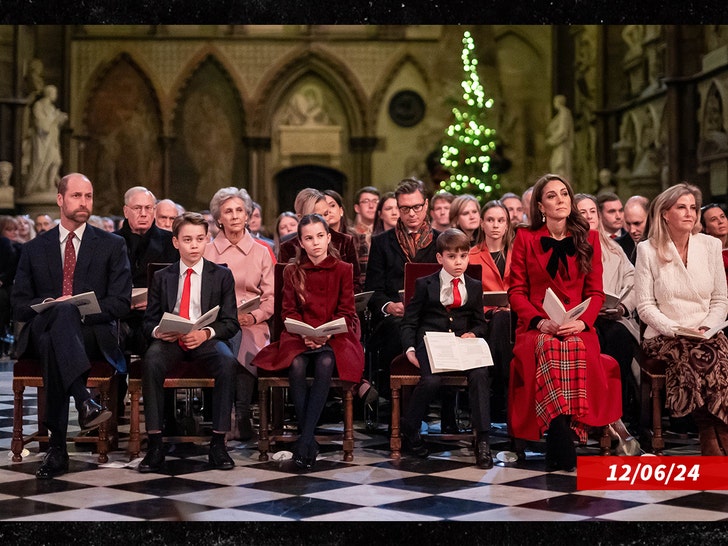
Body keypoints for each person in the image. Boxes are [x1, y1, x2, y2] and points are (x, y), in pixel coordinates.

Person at [11, 173, 132, 479]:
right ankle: (84, 400)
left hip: (92, 332)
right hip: (41, 332)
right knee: (58, 319)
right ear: (60, 200)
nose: (84, 202)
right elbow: (19, 305)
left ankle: (57, 448)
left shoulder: (112, 245)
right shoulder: (34, 248)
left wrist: (76, 310)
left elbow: (120, 303)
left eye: (88, 196)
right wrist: (51, 303)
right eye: (77, 196)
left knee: (62, 326)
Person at [507, 174, 621, 471]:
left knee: (573, 345)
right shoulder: (524, 237)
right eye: (552, 196)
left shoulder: (590, 238)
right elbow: (516, 291)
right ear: (541, 206)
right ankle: (560, 430)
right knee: (548, 345)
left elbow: (595, 292)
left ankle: (564, 432)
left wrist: (583, 323)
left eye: (564, 194)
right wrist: (538, 321)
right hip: (537, 326)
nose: (560, 200)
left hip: (578, 324)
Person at [253, 214, 364, 469]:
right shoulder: (293, 270)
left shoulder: (342, 269)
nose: (315, 243)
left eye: (320, 236)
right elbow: (288, 311)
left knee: (325, 361)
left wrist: (325, 334)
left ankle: (304, 440)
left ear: (328, 237)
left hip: (334, 335)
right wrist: (305, 333)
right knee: (297, 365)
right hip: (299, 335)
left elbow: (347, 311)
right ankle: (307, 439)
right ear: (301, 243)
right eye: (308, 238)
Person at [139, 212, 240, 472]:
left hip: (205, 338)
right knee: (151, 361)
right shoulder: (163, 276)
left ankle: (218, 443)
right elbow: (148, 322)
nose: (194, 245)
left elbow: (231, 323)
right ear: (175, 243)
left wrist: (206, 333)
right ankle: (155, 443)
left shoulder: (221, 275)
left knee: (227, 362)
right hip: (172, 339)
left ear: (206, 239)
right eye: (187, 240)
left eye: (199, 239)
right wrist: (159, 332)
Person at [635, 183, 728, 456]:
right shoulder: (648, 250)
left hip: (706, 331)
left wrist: (707, 327)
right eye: (681, 207)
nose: (690, 213)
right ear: (665, 213)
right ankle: (711, 431)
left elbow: (720, 300)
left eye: (693, 208)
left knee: (716, 351)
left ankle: (714, 430)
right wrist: (675, 328)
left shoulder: (710, 246)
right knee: (693, 352)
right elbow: (645, 306)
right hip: (665, 334)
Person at [399, 228, 493, 468]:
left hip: (462, 343)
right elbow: (410, 321)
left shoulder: (473, 285)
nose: (458, 262)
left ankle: (482, 439)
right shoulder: (424, 284)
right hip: (431, 342)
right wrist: (410, 349)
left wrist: (474, 333)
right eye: (452, 256)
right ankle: (409, 429)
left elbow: (481, 322)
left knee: (481, 374)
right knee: (431, 381)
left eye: (463, 256)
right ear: (440, 258)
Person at [204, 187, 274, 441]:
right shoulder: (207, 251)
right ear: (219, 219)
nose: (234, 216)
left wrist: (254, 316)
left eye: (239, 211)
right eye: (227, 211)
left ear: (247, 216)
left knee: (246, 338)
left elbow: (271, 296)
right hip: (216, 321)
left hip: (252, 320)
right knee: (225, 338)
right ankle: (226, 414)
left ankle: (242, 413)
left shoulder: (262, 251)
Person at [575, 193, 641, 450]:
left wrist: (623, 306)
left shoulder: (615, 249)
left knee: (618, 337)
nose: (589, 216)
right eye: (583, 212)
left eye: (592, 211)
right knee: (592, 341)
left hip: (613, 316)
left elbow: (635, 283)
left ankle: (617, 414)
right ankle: (593, 418)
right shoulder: (567, 248)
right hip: (581, 320)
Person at [365, 178, 440, 399]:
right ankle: (396, 404)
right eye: (405, 208)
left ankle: (426, 401)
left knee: (430, 329)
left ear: (426, 205)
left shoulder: (440, 241)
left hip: (432, 315)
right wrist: (388, 306)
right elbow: (373, 289)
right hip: (394, 318)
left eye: (417, 207)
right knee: (399, 329)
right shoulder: (382, 243)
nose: (412, 213)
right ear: (398, 208)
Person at [114, 186, 179, 355]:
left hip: (156, 316)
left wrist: (154, 300)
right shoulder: (110, 243)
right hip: (119, 317)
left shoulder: (171, 243)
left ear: (154, 211)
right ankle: (117, 381)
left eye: (148, 208)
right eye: (137, 208)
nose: (143, 213)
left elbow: (179, 285)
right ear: (126, 211)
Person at [468, 200, 513, 422]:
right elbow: (467, 296)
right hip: (483, 320)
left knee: (504, 317)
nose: (495, 225)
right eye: (490, 220)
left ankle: (497, 386)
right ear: (482, 224)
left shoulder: (518, 255)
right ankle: (501, 387)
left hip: (515, 319)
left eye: (500, 220)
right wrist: (490, 310)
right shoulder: (471, 256)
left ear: (507, 225)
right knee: (498, 318)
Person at [279, 188, 362, 293]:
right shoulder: (288, 248)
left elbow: (355, 284)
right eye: (316, 216)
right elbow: (284, 291)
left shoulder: (345, 241)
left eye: (326, 214)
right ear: (300, 218)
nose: (323, 221)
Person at [25, 85, 68, 195]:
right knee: (41, 162)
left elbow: (54, 124)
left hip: (52, 140)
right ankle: (36, 187)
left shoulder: (52, 108)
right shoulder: (38, 105)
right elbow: (40, 125)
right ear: (49, 93)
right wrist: (54, 119)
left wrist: (60, 119)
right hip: (42, 141)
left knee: (56, 161)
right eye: (55, 93)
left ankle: (50, 185)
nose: (56, 95)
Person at [350, 186, 380, 288]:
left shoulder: (387, 235)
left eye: (375, 201)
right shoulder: (350, 236)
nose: (371, 205)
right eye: (366, 201)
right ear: (357, 208)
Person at [545, 95, 574, 182]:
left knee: (560, 167)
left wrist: (551, 140)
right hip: (558, 146)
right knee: (556, 167)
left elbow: (563, 131)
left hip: (562, 145)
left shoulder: (564, 113)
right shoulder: (561, 114)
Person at [617, 195, 649, 265]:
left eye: (637, 223)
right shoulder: (616, 247)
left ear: (650, 218)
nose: (632, 230)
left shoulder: (664, 244)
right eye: (628, 224)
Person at [701, 202, 728, 277]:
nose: (720, 221)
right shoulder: (704, 255)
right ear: (706, 228)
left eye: (722, 216)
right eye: (713, 219)